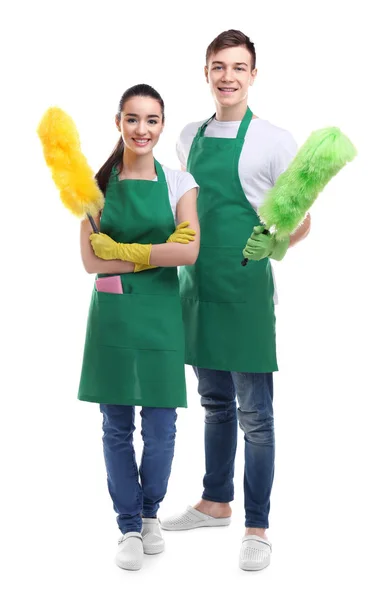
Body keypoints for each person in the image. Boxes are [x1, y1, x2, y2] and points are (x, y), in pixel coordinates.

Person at [160, 30, 311, 571]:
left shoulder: (274, 139)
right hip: (198, 287)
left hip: (246, 289)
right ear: (206, 73)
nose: (228, 76)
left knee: (257, 417)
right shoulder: (186, 135)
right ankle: (214, 501)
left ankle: (258, 526)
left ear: (253, 75)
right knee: (215, 404)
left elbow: (301, 218)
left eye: (239, 67)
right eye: (218, 66)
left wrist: (279, 240)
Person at [78, 84, 200, 571]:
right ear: (118, 123)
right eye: (133, 119)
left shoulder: (179, 182)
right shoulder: (95, 186)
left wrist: (123, 253)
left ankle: (151, 512)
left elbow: (189, 251)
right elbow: (89, 261)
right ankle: (129, 524)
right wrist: (156, 253)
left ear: (162, 125)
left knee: (163, 427)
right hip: (113, 316)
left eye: (151, 120)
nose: (142, 129)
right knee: (116, 427)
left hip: (162, 315)